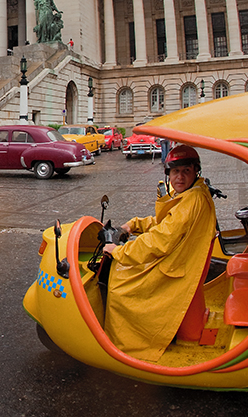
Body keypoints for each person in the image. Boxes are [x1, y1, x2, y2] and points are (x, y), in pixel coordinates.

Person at [102, 144, 216, 361]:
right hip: (184, 260)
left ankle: (132, 347)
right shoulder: (193, 193)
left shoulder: (191, 200)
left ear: (195, 172)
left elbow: (160, 241)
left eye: (186, 171)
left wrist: (120, 251)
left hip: (177, 266)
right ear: (168, 174)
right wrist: (133, 225)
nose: (179, 177)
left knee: (121, 286)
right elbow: (166, 223)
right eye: (175, 172)